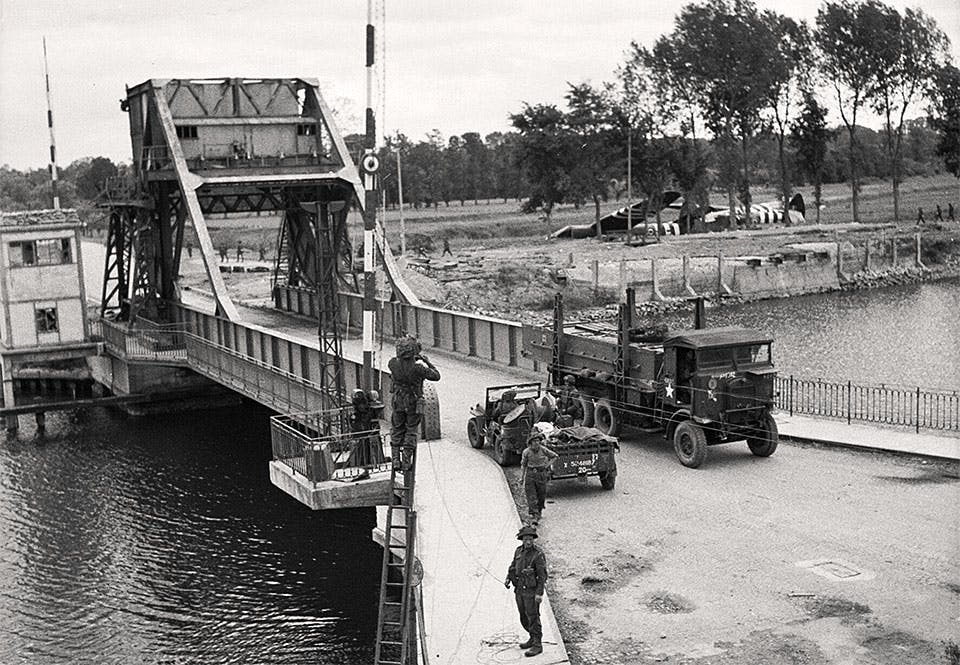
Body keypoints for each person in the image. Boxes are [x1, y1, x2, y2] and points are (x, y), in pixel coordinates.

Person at [387, 336, 441, 471]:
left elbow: (400, 368)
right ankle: (406, 459)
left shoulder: (392, 363)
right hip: (413, 402)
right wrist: (427, 362)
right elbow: (436, 376)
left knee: (397, 428)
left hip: (398, 400)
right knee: (411, 430)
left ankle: (395, 460)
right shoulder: (419, 368)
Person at [504, 525, 548, 657]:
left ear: (533, 539)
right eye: (526, 539)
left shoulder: (538, 554)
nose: (528, 542)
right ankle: (531, 638)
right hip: (519, 589)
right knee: (523, 616)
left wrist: (539, 593)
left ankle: (537, 644)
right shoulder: (518, 551)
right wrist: (508, 578)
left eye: (530, 539)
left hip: (531, 591)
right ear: (522, 539)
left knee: (533, 616)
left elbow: (542, 576)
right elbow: (513, 566)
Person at [521, 433, 557, 525]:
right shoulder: (526, 452)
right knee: (531, 495)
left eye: (538, 441)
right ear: (530, 443)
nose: (537, 443)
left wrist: (546, 465)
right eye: (534, 441)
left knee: (541, 494)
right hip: (530, 474)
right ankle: (534, 515)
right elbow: (524, 465)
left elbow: (555, 456)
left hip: (541, 474)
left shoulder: (543, 450)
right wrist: (522, 478)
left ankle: (539, 511)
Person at [348, 389, 385, 468]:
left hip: (369, 432)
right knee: (361, 449)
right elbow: (354, 423)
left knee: (370, 446)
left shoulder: (368, 410)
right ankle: (362, 463)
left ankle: (373, 462)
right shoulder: (356, 413)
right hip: (361, 434)